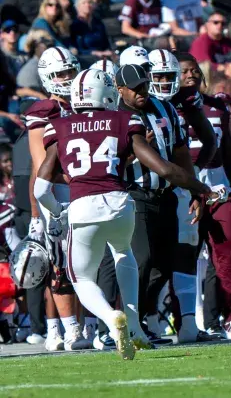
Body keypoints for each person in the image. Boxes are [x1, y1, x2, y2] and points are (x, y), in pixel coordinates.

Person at [35, 68, 213, 360]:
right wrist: (201, 188)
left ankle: (111, 317)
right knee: (124, 255)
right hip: (120, 203)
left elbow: (41, 188)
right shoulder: (124, 120)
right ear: (108, 93)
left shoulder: (60, 126)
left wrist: (58, 212)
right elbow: (164, 168)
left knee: (81, 277)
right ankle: (135, 328)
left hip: (83, 206)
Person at [170, 52, 231, 340]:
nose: (191, 75)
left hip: (219, 189)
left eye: (194, 70)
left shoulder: (217, 106)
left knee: (228, 255)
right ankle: (185, 321)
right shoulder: (165, 108)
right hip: (183, 192)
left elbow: (230, 153)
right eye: (184, 71)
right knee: (183, 259)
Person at [25, 46, 86, 352]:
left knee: (84, 263)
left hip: (83, 190)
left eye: (70, 71)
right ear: (47, 77)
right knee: (60, 264)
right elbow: (41, 168)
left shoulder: (84, 104)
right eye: (60, 74)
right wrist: (37, 215)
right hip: (57, 193)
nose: (67, 78)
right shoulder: (43, 110)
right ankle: (66, 329)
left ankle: (82, 327)